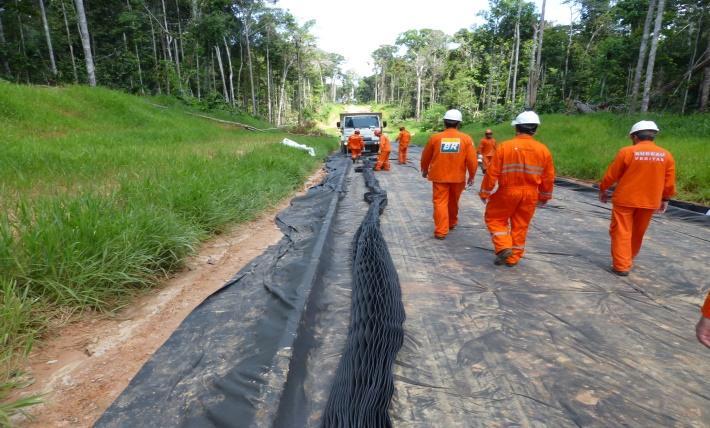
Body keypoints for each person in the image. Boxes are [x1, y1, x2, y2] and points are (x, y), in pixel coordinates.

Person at [598, 120, 676, 276]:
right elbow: (669, 181)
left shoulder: (627, 152)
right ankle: (628, 259)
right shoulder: (666, 155)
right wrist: (665, 199)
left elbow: (612, 174)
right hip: (650, 201)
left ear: (634, 136)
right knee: (638, 232)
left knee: (621, 231)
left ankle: (621, 265)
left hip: (625, 199)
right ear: (653, 136)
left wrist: (603, 188)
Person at [479, 111, 554, 266]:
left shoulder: (505, 147)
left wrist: (485, 191)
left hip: (508, 191)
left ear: (517, 128)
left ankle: (504, 246)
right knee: (520, 225)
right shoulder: (543, 150)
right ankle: (513, 258)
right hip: (530, 194)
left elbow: (492, 172)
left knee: (495, 218)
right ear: (535, 129)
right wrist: (545, 196)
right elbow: (548, 177)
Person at [420, 109, 477, 240]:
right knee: (453, 202)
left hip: (439, 177)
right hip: (458, 178)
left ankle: (441, 231)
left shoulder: (435, 138)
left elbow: (425, 156)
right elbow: (472, 160)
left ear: (444, 122)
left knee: (440, 202)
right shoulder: (466, 139)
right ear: (459, 124)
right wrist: (472, 176)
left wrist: (424, 169)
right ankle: (451, 223)